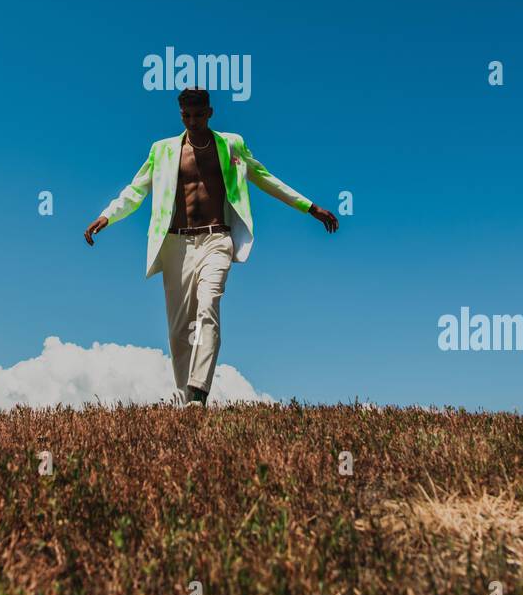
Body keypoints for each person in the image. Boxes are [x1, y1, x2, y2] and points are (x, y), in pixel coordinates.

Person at [83, 89, 338, 407]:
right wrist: (106, 216)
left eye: (198, 115)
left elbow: (265, 178)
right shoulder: (161, 150)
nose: (193, 122)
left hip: (217, 239)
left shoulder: (231, 145)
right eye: (187, 116)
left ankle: (198, 392)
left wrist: (310, 208)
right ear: (180, 115)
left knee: (208, 309)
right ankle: (184, 399)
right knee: (178, 330)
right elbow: (136, 189)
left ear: (210, 112)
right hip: (175, 243)